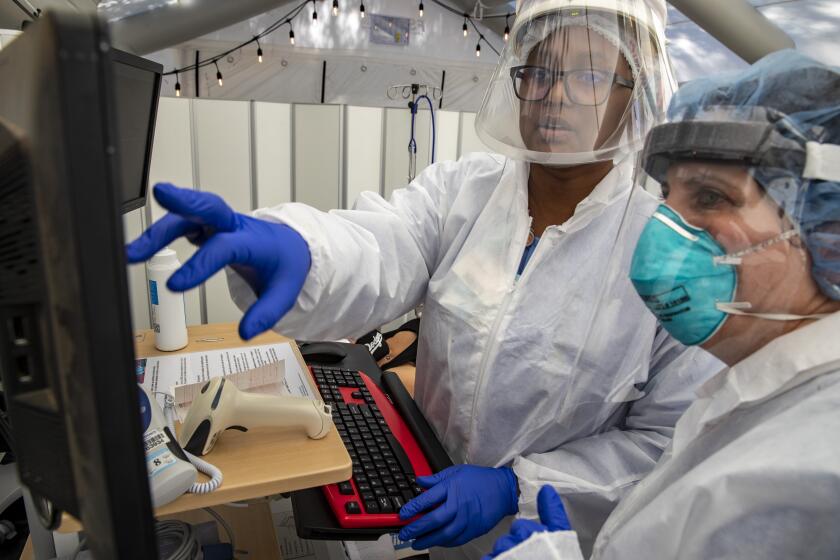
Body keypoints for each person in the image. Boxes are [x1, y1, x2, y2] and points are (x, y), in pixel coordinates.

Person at [126, 1, 721, 557]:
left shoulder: (666, 256)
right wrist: (300, 252)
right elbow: (383, 245)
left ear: (632, 93)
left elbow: (668, 441)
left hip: (547, 533)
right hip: (426, 489)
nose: (554, 96)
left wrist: (515, 485)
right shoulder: (467, 191)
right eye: (539, 72)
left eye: (588, 76)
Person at [485, 49, 840, 560]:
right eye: (669, 197)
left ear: (826, 230)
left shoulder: (813, 470)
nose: (662, 230)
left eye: (711, 198)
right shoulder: (757, 394)